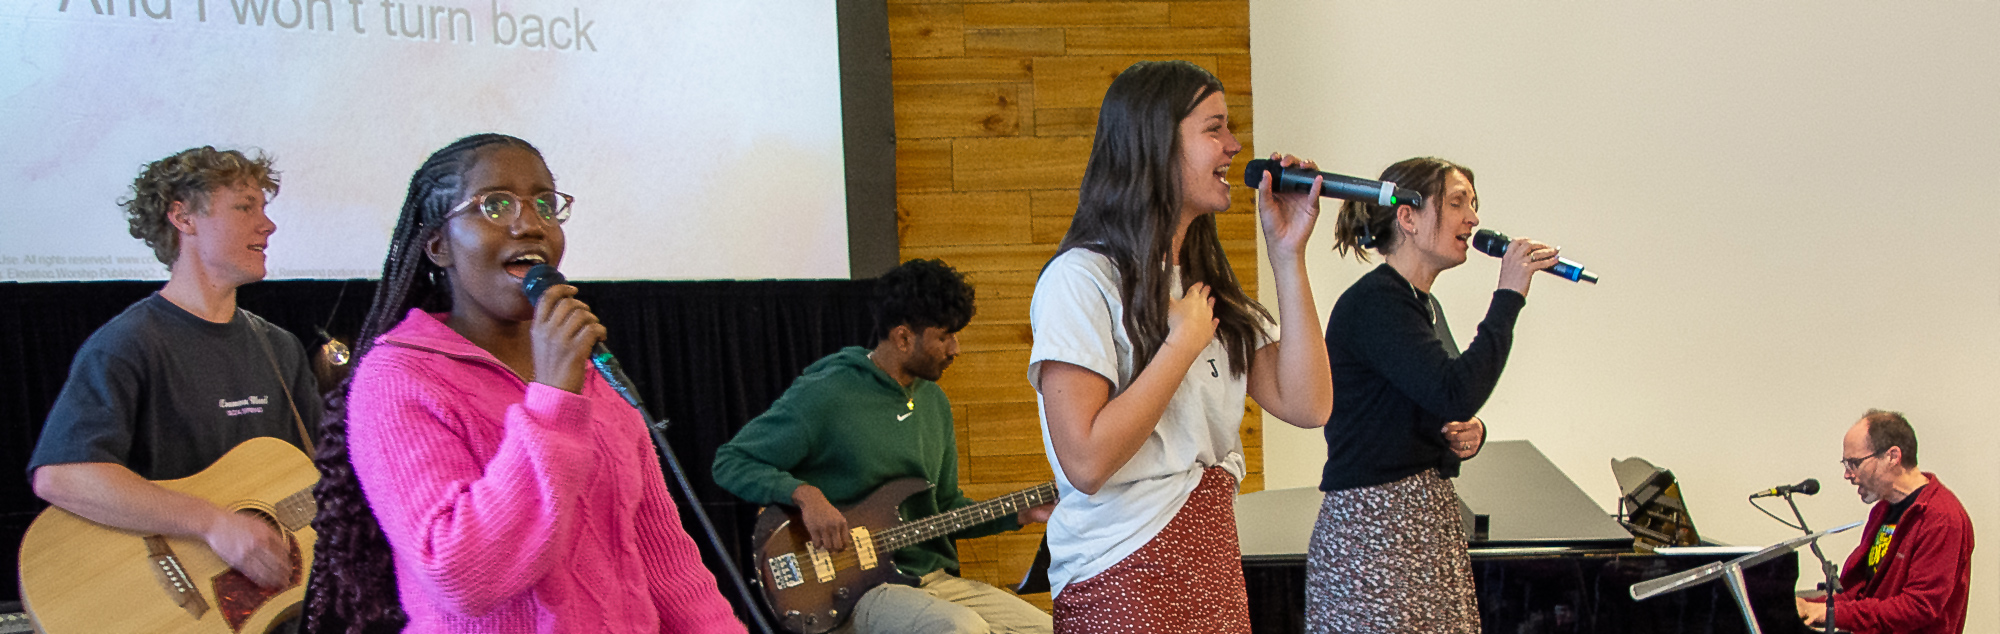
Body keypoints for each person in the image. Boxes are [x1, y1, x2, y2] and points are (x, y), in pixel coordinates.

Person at [303, 134, 744, 633]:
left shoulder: (586, 369)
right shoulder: (399, 378)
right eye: (495, 204)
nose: (530, 223)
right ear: (438, 245)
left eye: (545, 204)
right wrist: (554, 401)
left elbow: (673, 575)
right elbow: (461, 575)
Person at [1026, 60, 1334, 633]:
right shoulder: (1080, 279)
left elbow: (1308, 403)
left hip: (1209, 557)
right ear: (1155, 143)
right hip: (1123, 571)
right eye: (1214, 128)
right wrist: (1181, 346)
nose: (1235, 146)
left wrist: (1287, 251)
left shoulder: (1199, 282)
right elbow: (1086, 461)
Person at [29, 147, 321, 603]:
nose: (268, 225)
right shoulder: (127, 343)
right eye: (245, 207)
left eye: (265, 209)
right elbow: (61, 476)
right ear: (183, 218)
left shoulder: (279, 347)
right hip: (168, 601)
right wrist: (213, 523)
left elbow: (324, 475)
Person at [712, 258, 1055, 634]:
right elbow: (731, 461)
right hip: (857, 591)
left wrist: (1020, 514)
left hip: (932, 581)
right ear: (904, 337)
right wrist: (805, 495)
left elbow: (944, 509)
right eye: (944, 336)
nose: (956, 348)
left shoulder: (935, 403)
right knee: (959, 628)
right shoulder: (826, 393)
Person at [1308, 157, 1560, 632]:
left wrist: (1471, 432)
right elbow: (1455, 391)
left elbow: (1438, 398)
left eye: (1473, 204)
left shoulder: (1421, 304)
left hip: (1419, 520)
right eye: (1458, 202)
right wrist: (1509, 295)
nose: (1474, 218)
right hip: (1377, 531)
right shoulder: (1376, 301)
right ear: (1408, 217)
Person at [1796, 409, 1973, 634]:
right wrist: (1811, 605)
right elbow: (1862, 593)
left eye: (1854, 463)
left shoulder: (1941, 519)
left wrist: (1830, 614)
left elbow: (1918, 607)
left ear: (1892, 457)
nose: (1848, 474)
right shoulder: (1883, 509)